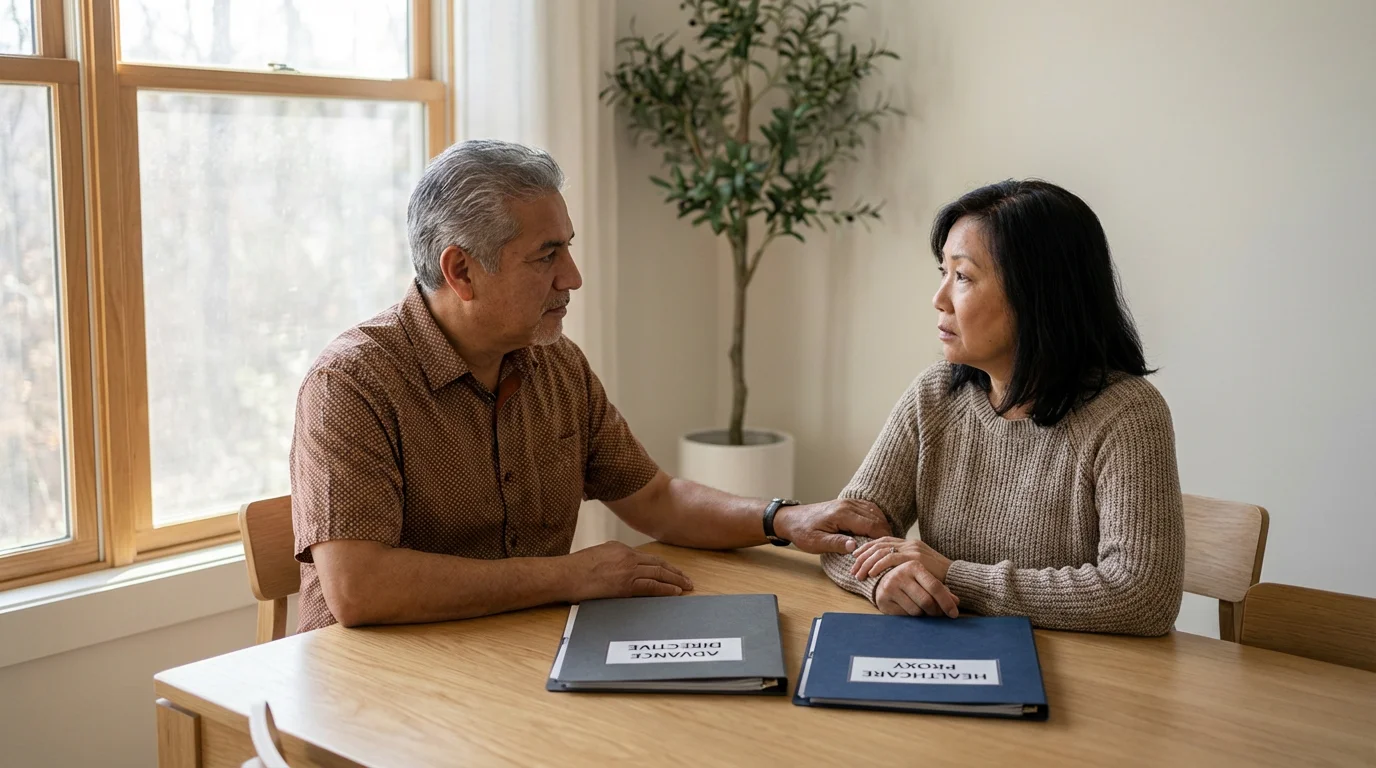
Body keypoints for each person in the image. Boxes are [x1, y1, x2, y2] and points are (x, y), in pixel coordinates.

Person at [290, 139, 889, 632]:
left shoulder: (558, 366)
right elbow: (359, 589)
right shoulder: (350, 383)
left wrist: (782, 518)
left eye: (567, 249)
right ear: (462, 270)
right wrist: (566, 576)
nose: (572, 277)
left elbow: (655, 500)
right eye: (546, 256)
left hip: (512, 654)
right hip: (372, 688)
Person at [821, 179, 1185, 636]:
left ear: (1037, 295)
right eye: (942, 272)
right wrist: (884, 582)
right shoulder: (935, 395)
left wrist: (952, 575)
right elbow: (840, 531)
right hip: (949, 661)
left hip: (1084, 683)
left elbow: (1142, 598)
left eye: (963, 277)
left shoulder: (1128, 414)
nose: (938, 299)